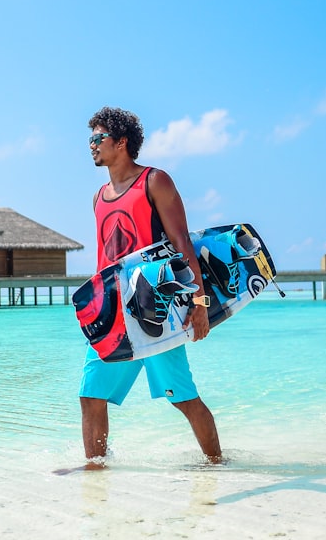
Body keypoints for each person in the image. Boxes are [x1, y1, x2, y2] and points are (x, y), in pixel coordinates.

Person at [79, 106, 222, 468]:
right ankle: (97, 472)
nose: (92, 145)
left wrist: (200, 302)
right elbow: (106, 261)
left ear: (121, 142)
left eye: (99, 138)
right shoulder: (98, 197)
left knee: (183, 398)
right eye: (91, 139)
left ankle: (217, 465)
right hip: (112, 314)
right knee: (91, 395)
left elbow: (182, 245)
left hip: (155, 308)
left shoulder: (154, 182)